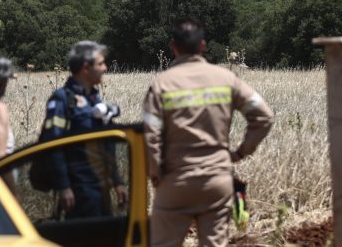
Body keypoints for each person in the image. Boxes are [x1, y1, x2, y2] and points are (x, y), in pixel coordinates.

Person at [143, 20, 274, 247]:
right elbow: (264, 116)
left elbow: (150, 136)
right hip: (217, 181)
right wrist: (240, 153)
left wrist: (156, 173)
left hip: (175, 182)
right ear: (203, 45)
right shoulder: (226, 79)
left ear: (173, 46)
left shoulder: (161, 84)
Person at [40, 40, 127, 218]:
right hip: (78, 190)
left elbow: (106, 144)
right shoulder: (62, 99)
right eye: (101, 63)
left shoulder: (95, 99)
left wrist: (117, 181)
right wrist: (64, 187)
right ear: (86, 68)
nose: (105, 68)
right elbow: (52, 145)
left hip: (101, 188)